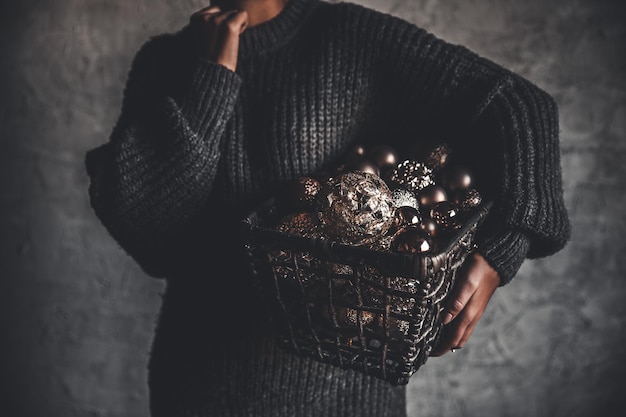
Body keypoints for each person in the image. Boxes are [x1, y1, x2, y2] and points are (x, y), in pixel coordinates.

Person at [84, 0, 571, 416]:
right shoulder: (164, 62)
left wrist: (501, 250)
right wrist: (210, 84)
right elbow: (152, 239)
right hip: (200, 387)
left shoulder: (348, 38)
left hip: (342, 395)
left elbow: (521, 107)